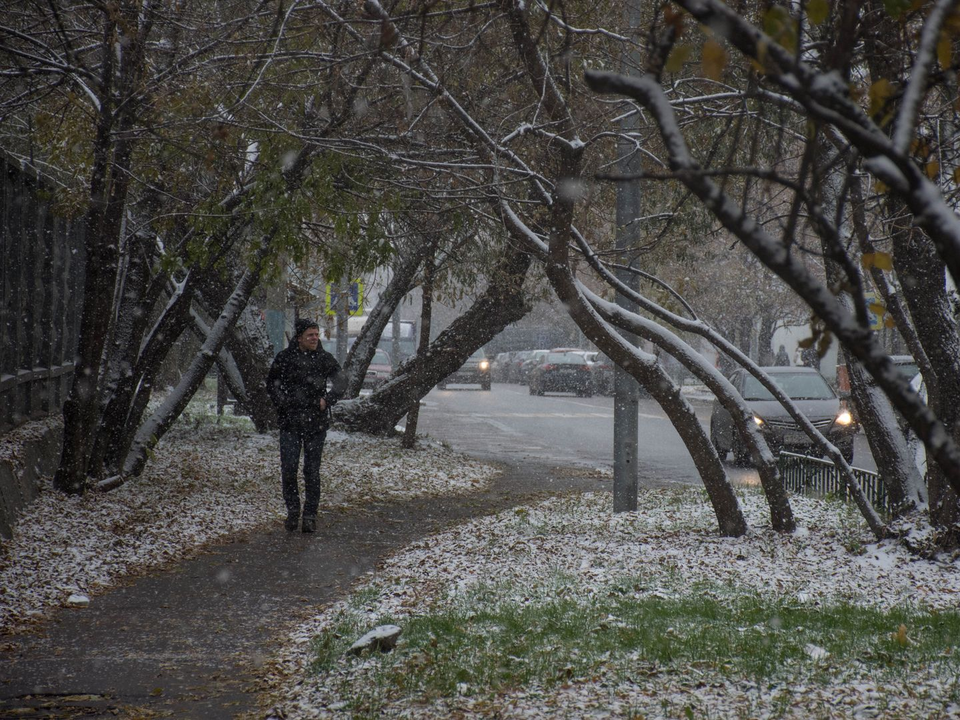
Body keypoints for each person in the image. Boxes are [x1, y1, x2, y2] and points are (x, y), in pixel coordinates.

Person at [267, 319, 346, 533]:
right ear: (299, 337)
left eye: (316, 334)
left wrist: (327, 400)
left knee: (311, 471)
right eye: (310, 335)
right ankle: (293, 512)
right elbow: (272, 384)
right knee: (289, 468)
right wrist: (283, 402)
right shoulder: (284, 358)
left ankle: (310, 515)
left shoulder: (324, 359)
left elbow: (341, 381)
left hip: (316, 423)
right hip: (290, 422)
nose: (314, 338)